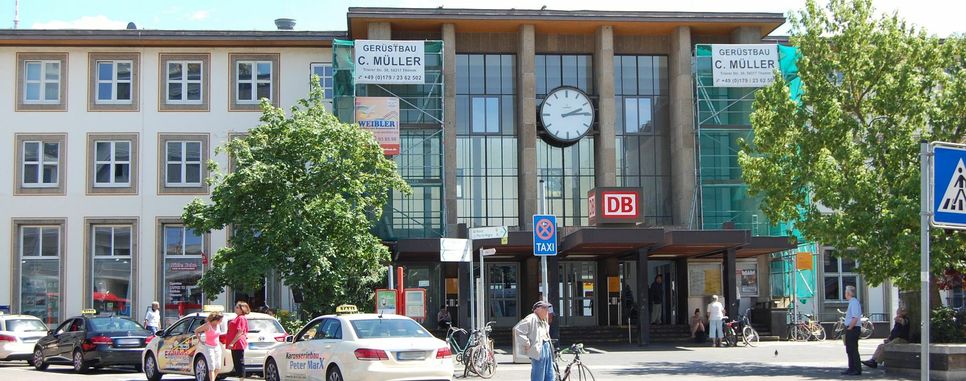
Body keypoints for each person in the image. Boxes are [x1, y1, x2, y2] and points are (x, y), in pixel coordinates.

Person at [514, 301, 555, 381]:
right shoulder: (531, 318)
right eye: (544, 308)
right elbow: (518, 330)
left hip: (546, 346)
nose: (547, 311)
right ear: (537, 309)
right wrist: (526, 343)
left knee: (549, 373)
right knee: (538, 375)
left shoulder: (543, 319)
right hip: (539, 348)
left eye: (547, 308)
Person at [195, 312, 225, 381]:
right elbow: (196, 331)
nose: (221, 321)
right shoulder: (207, 325)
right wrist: (200, 340)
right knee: (211, 367)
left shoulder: (218, 325)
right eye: (221, 320)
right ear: (216, 319)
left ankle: (212, 379)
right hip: (209, 348)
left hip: (217, 347)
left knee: (218, 367)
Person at [842, 285, 863, 376]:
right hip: (852, 328)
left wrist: (850, 327)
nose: (845, 294)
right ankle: (851, 368)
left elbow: (855, 317)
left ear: (849, 293)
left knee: (853, 349)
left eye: (846, 292)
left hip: (853, 328)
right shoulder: (852, 302)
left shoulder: (854, 303)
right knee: (849, 349)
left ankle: (856, 369)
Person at [227, 302, 251, 380]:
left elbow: (240, 331)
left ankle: (241, 379)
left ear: (242, 309)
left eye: (237, 307)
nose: (235, 308)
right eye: (236, 307)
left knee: (239, 363)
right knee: (237, 363)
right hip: (236, 343)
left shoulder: (241, 318)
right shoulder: (238, 317)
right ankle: (240, 378)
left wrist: (232, 343)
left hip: (238, 343)